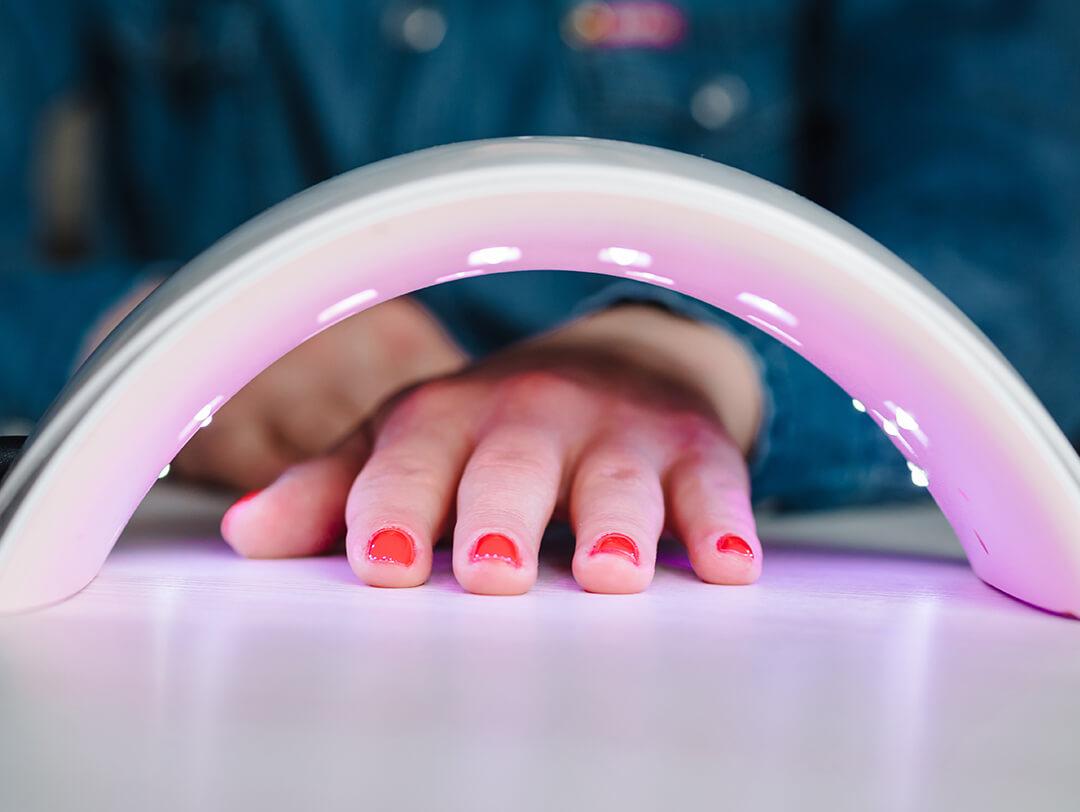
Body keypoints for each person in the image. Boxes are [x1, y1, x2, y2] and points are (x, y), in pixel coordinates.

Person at [2, 1, 1077, 594]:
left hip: (735, 563)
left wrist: (686, 360)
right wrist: (144, 341)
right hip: (238, 552)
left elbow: (1027, 223)